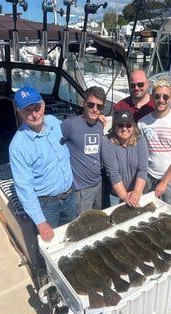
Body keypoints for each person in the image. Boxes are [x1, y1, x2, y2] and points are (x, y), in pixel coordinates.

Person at [9, 87, 76, 242]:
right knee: (51, 244)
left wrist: (95, 120)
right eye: (28, 110)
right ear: (19, 112)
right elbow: (24, 187)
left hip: (70, 196)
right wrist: (40, 222)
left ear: (43, 105)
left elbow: (75, 130)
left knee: (72, 237)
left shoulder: (53, 121)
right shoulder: (17, 146)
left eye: (37, 108)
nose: (34, 114)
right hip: (46, 205)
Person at [138, 77, 171, 209]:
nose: (161, 100)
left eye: (165, 97)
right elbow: (140, 153)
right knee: (146, 212)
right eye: (157, 96)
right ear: (152, 98)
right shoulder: (142, 122)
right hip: (148, 177)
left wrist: (164, 182)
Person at [61, 86, 106, 216]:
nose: (95, 109)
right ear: (83, 104)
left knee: (98, 219)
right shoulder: (70, 124)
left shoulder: (99, 125)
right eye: (91, 104)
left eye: (99, 107)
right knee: (83, 225)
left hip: (98, 184)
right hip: (81, 189)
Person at [101, 109, 148, 207]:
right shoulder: (107, 143)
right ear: (114, 126)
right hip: (115, 195)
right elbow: (113, 174)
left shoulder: (140, 140)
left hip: (136, 194)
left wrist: (136, 193)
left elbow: (143, 170)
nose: (124, 128)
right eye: (120, 125)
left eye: (128, 125)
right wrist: (125, 196)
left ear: (133, 125)